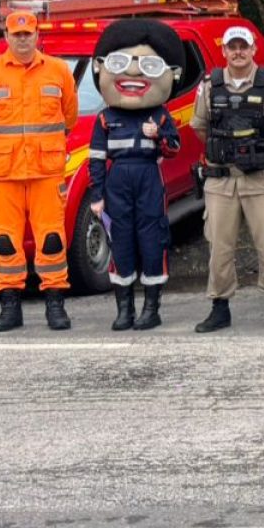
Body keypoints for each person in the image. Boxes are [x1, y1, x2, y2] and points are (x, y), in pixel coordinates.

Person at [0, 10, 79, 332]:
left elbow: (69, 118)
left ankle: (55, 305)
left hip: (46, 172)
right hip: (5, 175)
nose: (22, 39)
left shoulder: (59, 71)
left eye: (27, 34)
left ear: (37, 36)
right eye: (16, 34)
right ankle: (10, 307)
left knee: (51, 240)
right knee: (4, 242)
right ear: (5, 36)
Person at [193, 24, 264, 332]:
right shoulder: (210, 86)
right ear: (224, 51)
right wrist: (225, 153)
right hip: (221, 179)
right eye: (232, 47)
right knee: (219, 246)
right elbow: (199, 127)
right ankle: (219, 307)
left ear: (253, 49)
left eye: (244, 46)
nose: (238, 52)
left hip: (263, 178)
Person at [85, 19, 184, 332]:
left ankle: (151, 308)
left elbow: (175, 148)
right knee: (121, 242)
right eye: (120, 63)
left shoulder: (161, 114)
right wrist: (98, 196)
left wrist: (158, 136)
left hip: (148, 179)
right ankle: (124, 309)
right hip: (117, 185)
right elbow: (97, 160)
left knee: (153, 241)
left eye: (148, 65)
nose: (132, 72)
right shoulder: (105, 117)